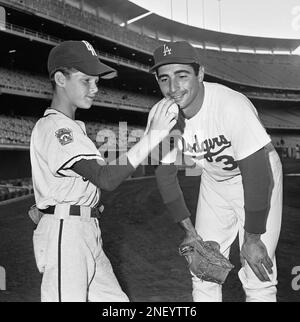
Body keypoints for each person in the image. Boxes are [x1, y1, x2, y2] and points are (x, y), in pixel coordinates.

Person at [30, 40, 177, 302]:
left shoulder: (71, 126)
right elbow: (105, 178)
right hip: (68, 233)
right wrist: (152, 136)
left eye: (97, 81)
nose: (95, 88)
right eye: (86, 80)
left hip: (82, 229)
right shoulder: (56, 127)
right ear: (61, 79)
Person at [146, 41, 283, 302]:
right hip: (215, 181)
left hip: (259, 175)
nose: (173, 88)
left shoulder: (231, 105)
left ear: (200, 74)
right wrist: (188, 229)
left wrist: (252, 238)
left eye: (182, 76)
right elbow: (164, 173)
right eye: (164, 79)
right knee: (202, 270)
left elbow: (256, 173)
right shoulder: (159, 115)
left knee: (257, 271)